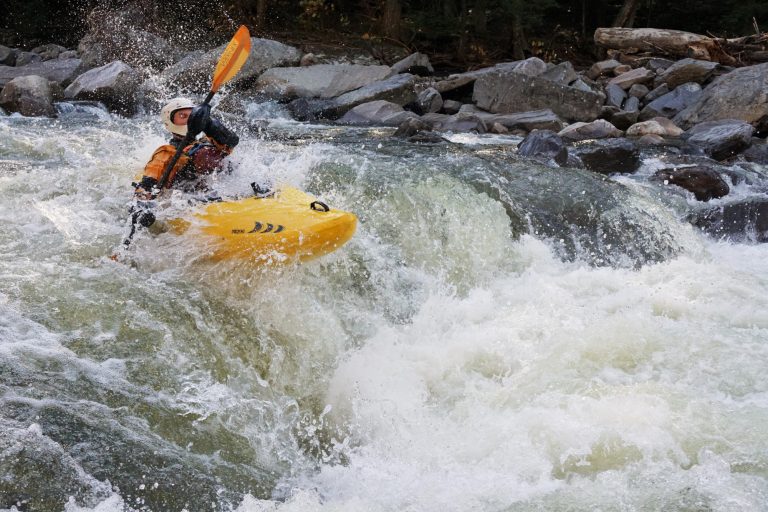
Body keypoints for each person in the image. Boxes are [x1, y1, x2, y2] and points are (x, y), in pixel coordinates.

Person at [133, 97, 239, 200]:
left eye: (192, 115)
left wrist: (208, 124)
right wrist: (141, 208)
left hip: (213, 194)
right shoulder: (165, 153)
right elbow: (145, 187)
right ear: (169, 121)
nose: (189, 120)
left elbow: (232, 141)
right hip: (182, 200)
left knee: (208, 152)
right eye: (183, 116)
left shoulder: (208, 141)